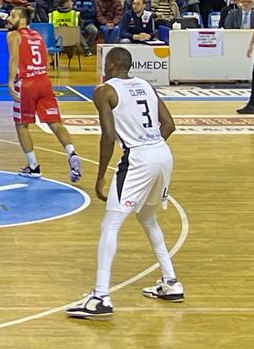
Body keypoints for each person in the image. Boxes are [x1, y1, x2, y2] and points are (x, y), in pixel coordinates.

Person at [66, 47, 182, 319]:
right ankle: (171, 282)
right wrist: (151, 148)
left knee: (111, 224)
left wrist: (100, 175)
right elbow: (170, 125)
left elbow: (107, 136)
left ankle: (100, 296)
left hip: (138, 158)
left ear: (110, 65)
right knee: (148, 218)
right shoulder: (147, 86)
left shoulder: (104, 91)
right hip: (162, 154)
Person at [7, 6, 82, 181]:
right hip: (44, 81)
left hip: (27, 84)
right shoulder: (38, 36)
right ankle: (71, 152)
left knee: (21, 125)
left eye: (13, 16)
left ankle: (33, 167)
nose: (9, 19)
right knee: (55, 122)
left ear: (22, 20)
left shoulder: (13, 35)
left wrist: (10, 81)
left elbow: (14, 59)